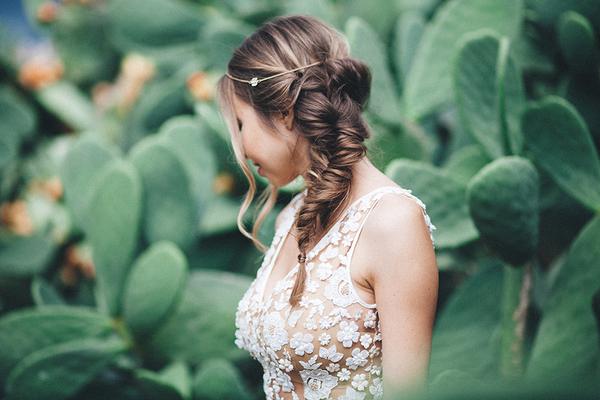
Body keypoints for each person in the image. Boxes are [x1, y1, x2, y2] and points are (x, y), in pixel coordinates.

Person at [216, 14, 439, 400]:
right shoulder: (293, 215)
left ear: (285, 111)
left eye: (240, 124)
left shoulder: (393, 222)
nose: (240, 147)